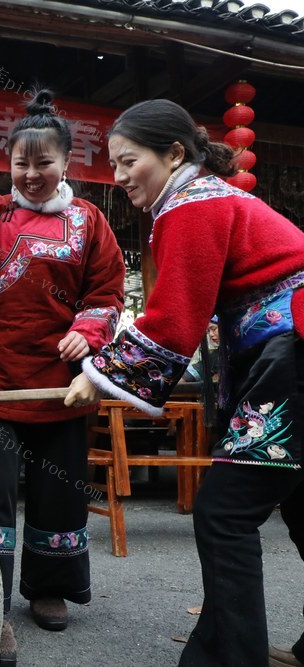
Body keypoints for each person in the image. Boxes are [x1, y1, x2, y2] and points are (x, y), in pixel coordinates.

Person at [63, 98, 304, 667]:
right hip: (289, 346)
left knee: (223, 512)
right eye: (113, 165)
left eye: (128, 162)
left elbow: (173, 319)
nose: (119, 177)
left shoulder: (190, 205)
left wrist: (98, 377)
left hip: (294, 346)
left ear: (174, 154)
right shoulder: (206, 198)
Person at [0, 90, 125, 666]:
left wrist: (88, 333)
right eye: (21, 163)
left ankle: (49, 587)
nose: (32, 174)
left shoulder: (89, 222)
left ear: (67, 163)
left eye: (44, 163)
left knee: (58, 486)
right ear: (7, 165)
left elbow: (107, 290)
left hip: (61, 381)